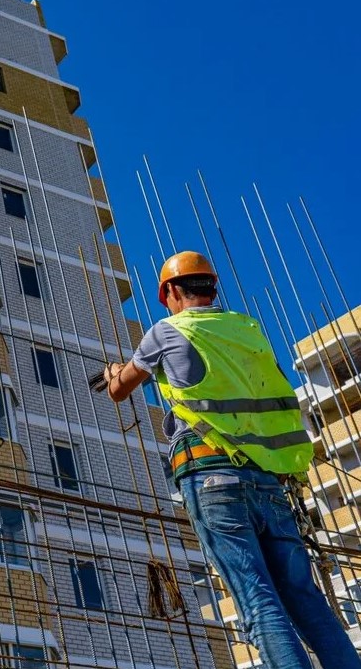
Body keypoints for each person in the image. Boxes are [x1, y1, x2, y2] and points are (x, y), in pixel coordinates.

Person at [101, 250, 360, 668]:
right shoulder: (248, 330)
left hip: (210, 477)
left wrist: (116, 370)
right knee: (306, 600)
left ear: (169, 291)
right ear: (212, 288)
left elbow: (119, 389)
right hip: (272, 483)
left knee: (258, 601)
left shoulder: (166, 331)